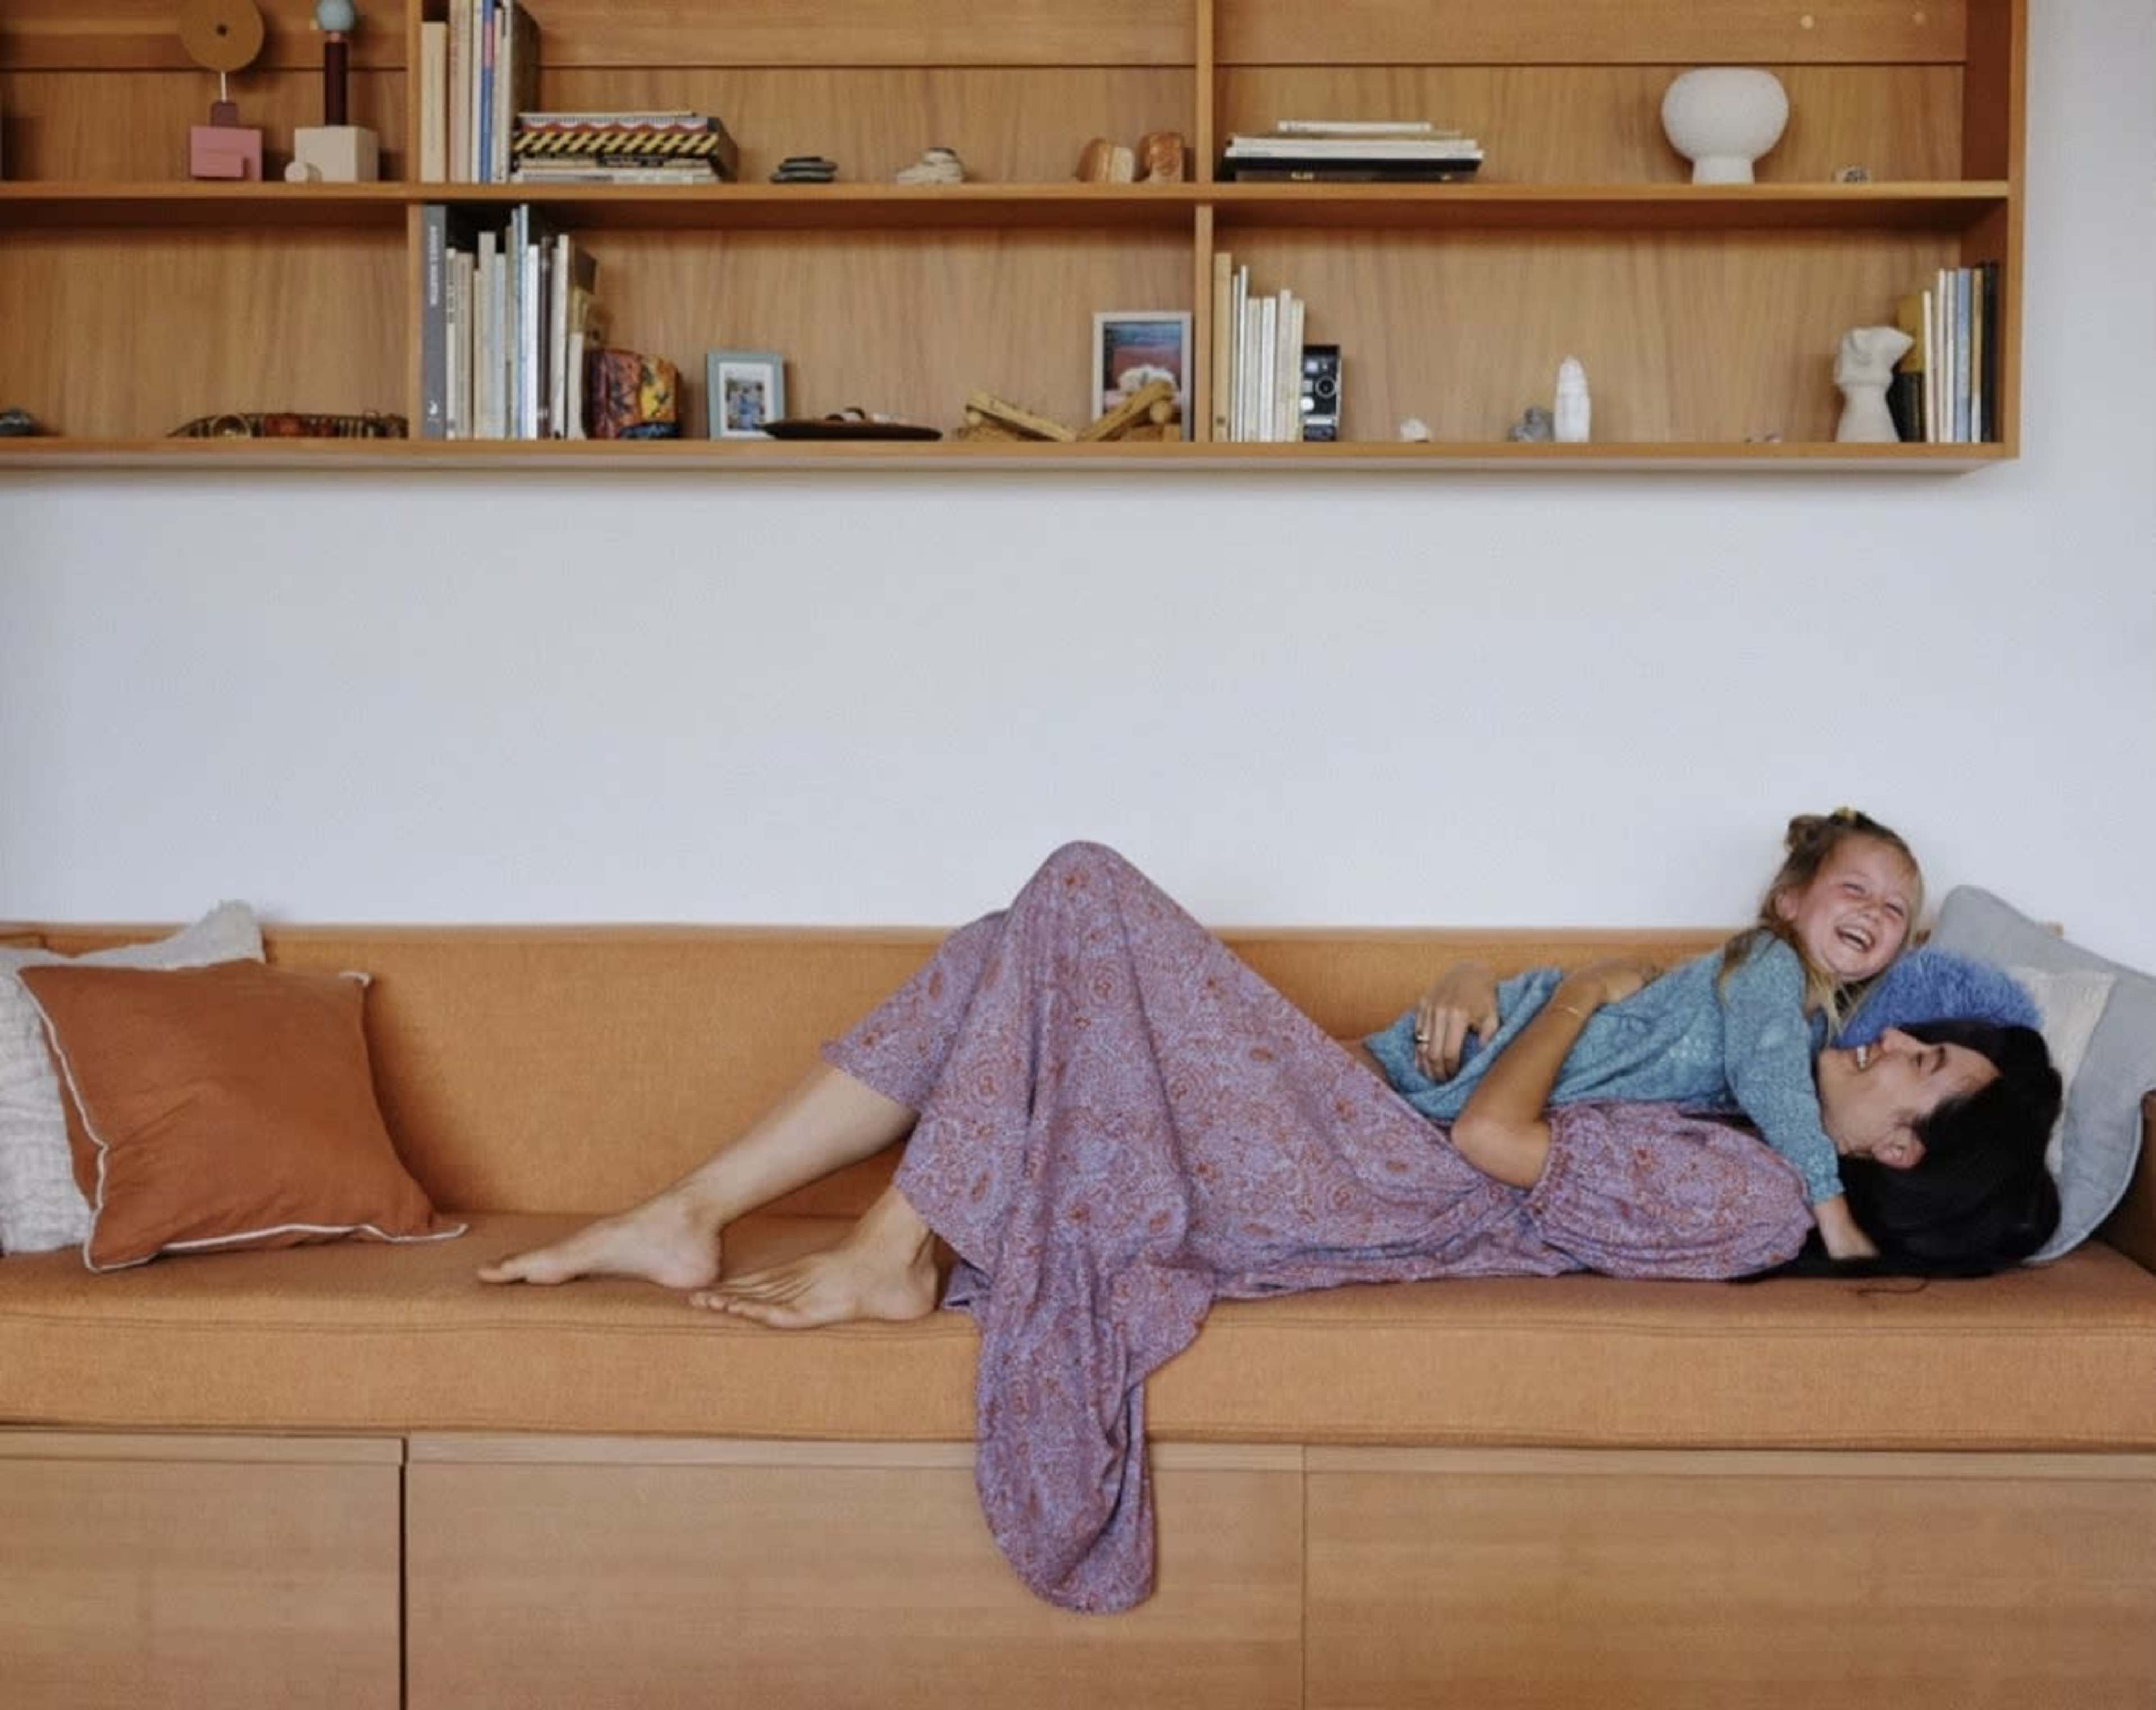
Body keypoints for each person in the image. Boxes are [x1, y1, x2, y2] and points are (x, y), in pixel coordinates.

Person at [478, 842, 2059, 1611]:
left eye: (1912, 1058)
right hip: (1366, 1127)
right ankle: (691, 1209)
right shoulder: (1753, 1075)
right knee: (1017, 933)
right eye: (1893, 1022)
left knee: (1082, 886)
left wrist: (1572, 993)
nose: (1874, 1039)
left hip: (1371, 1185)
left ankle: (897, 1244)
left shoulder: (1754, 1196)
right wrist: (1477, 983)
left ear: (1914, 1144)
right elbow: (1506, 1073)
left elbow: (1502, 1139)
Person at [1365, 808, 1927, 1260]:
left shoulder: (1816, 1027)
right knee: (1355, 1088)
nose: (1874, 911)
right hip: (1495, 1041)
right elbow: (1768, 1077)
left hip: (1518, 1086)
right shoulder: (1771, 961)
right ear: (1789, 901)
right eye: (1854, 888)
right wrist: (1832, 1210)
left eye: (1895, 909)